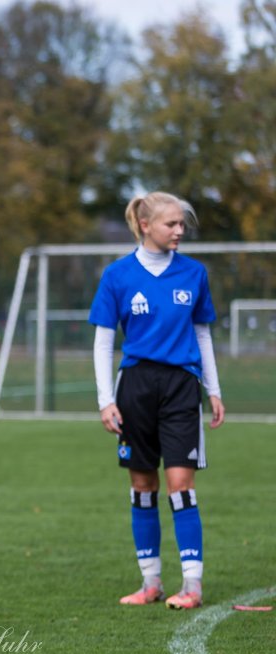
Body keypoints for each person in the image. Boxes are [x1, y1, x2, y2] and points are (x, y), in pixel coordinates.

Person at [89, 191, 225, 610]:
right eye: (172, 224)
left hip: (182, 386)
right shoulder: (117, 275)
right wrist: (105, 400)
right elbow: (103, 341)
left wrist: (213, 389)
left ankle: (193, 585)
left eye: (182, 224)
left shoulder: (194, 273)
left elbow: (202, 334)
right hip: (135, 388)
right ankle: (151, 583)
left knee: (180, 486)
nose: (180, 230)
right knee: (142, 486)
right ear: (146, 226)